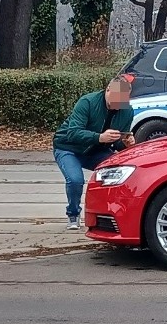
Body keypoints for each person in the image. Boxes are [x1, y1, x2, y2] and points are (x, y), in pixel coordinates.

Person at [52, 75, 136, 229]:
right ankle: (73, 215)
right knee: (75, 179)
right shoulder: (88, 102)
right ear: (108, 90)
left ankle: (112, 212)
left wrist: (126, 143)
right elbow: (73, 132)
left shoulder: (127, 111)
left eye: (123, 99)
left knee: (121, 171)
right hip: (68, 147)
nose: (119, 103)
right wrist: (100, 137)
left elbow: (117, 140)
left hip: (97, 150)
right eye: (117, 97)